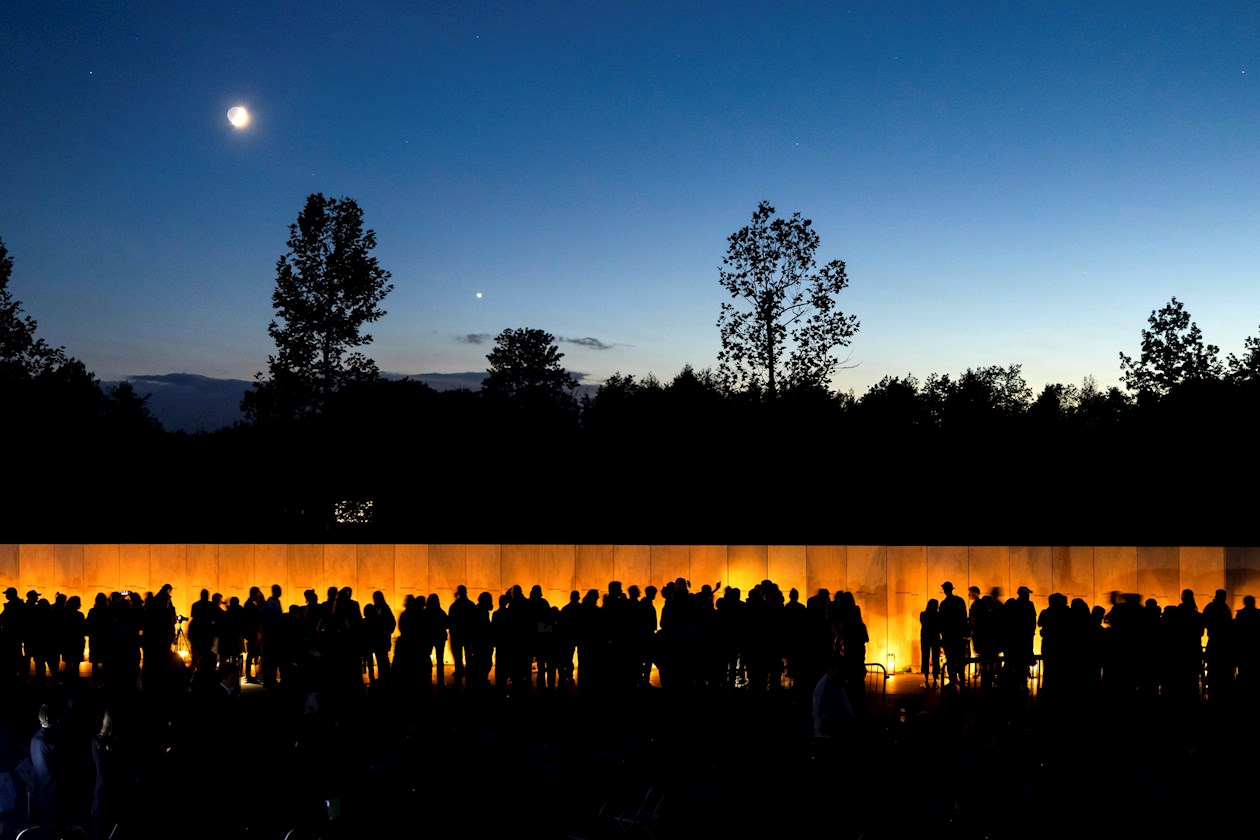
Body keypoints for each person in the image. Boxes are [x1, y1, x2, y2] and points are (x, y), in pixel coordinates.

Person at [938, 582, 968, 687]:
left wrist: (943, 634)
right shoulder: (960, 601)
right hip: (958, 635)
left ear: (945, 590)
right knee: (960, 657)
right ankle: (962, 678)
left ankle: (952, 680)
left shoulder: (944, 604)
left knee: (950, 658)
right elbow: (964, 617)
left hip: (948, 636)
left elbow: (941, 621)